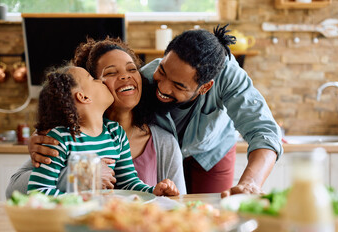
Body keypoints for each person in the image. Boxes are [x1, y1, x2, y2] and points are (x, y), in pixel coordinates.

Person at [21, 24, 283, 196]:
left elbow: (263, 130)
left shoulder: (227, 80)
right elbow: (24, 186)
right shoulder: (136, 84)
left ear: (204, 88)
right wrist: (48, 137)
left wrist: (250, 183)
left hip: (209, 153)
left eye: (178, 85)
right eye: (162, 71)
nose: (162, 87)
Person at [6, 38, 186, 198]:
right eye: (109, 73)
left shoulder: (135, 138)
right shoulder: (61, 136)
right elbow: (16, 190)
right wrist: (84, 175)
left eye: (132, 69)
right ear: (83, 95)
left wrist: (155, 191)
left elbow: (139, 187)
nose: (125, 76)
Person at [27, 65, 179, 197]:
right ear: (83, 97)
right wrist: (81, 194)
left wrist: (153, 191)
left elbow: (128, 183)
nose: (101, 81)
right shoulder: (60, 139)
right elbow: (36, 192)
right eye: (93, 79)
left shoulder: (116, 133)